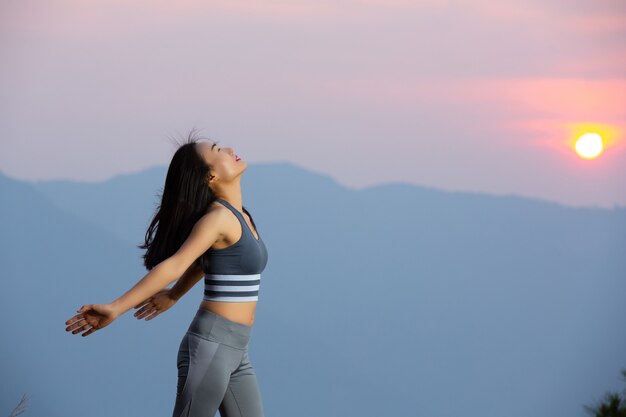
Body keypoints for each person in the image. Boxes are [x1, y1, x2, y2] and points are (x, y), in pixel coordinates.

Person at [64, 129, 269, 417]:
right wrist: (116, 308)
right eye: (218, 150)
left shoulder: (239, 215)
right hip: (211, 348)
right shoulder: (218, 219)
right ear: (210, 177)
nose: (229, 149)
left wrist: (174, 295)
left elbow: (205, 262)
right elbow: (176, 264)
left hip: (238, 350)